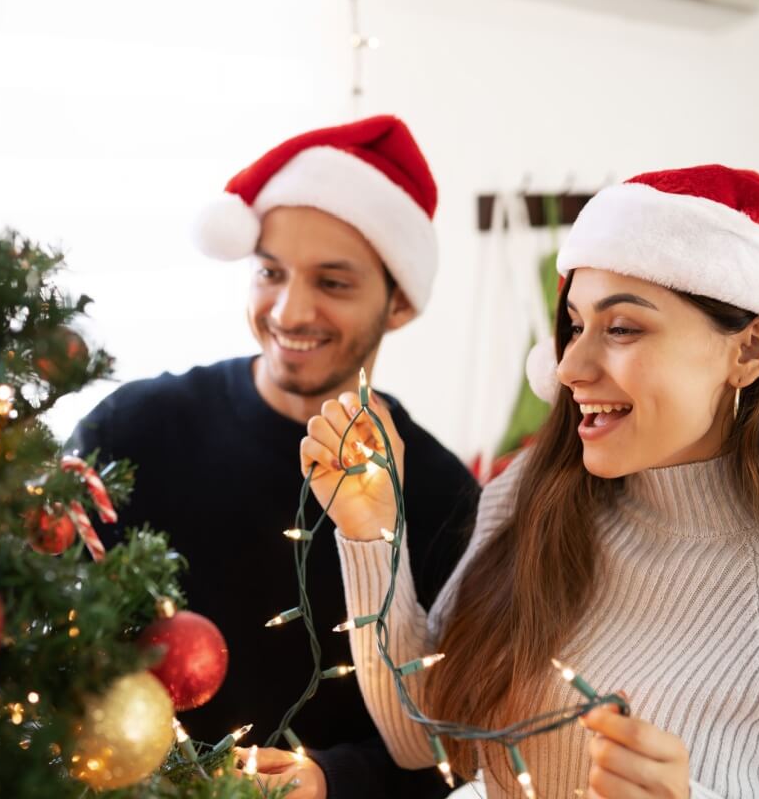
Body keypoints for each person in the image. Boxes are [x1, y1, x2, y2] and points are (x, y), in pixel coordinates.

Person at [302, 165, 759, 798]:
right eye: (574, 326)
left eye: (621, 328)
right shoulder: (532, 493)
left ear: (750, 350)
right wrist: (370, 532)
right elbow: (426, 738)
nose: (570, 367)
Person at [68, 116, 479, 799]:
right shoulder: (132, 430)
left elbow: (458, 740)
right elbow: (38, 631)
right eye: (270, 272)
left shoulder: (443, 498)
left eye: (333, 283)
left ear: (400, 303)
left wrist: (332, 781)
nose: (290, 311)